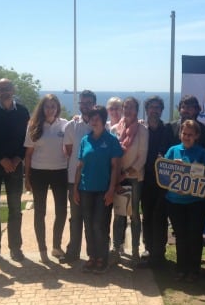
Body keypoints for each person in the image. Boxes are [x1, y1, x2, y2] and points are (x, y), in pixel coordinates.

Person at [0, 78, 30, 263]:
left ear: (13, 89)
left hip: (16, 166)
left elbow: (27, 138)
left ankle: (15, 249)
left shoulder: (23, 111)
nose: (5, 91)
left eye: (7, 88)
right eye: (1, 89)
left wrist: (17, 158)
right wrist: (2, 159)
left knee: (15, 209)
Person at [74, 106, 123, 273]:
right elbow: (80, 166)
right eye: (91, 117)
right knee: (88, 224)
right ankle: (92, 257)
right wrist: (75, 189)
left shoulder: (111, 140)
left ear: (103, 120)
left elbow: (116, 167)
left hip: (103, 190)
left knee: (99, 225)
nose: (94, 120)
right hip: (85, 189)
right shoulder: (85, 140)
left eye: (97, 117)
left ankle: (102, 257)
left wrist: (111, 190)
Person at [165, 119, 205, 282]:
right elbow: (163, 171)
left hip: (196, 202)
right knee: (181, 235)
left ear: (197, 136)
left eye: (190, 135)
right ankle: (181, 268)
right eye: (184, 134)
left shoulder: (203, 154)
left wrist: (189, 168)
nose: (186, 137)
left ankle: (194, 270)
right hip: (174, 201)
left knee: (194, 235)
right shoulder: (172, 150)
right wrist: (172, 165)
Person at [24, 94, 69, 263]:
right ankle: (42, 248)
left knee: (62, 211)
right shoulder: (33, 126)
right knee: (40, 212)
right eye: (47, 106)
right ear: (42, 108)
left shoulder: (65, 125)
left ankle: (56, 247)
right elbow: (28, 155)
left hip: (60, 172)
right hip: (38, 173)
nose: (50, 109)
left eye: (53, 106)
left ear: (57, 108)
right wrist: (26, 178)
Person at [110, 97, 149, 262]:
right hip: (117, 178)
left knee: (133, 214)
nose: (128, 110)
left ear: (137, 110)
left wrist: (124, 174)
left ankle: (134, 249)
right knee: (119, 213)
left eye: (131, 107)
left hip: (133, 177)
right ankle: (117, 247)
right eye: (126, 107)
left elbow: (142, 158)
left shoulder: (142, 130)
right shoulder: (114, 129)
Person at [61, 90, 97, 264]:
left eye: (89, 103)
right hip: (73, 179)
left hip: (94, 181)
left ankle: (92, 254)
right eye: (83, 103)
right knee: (75, 218)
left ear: (94, 104)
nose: (86, 106)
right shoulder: (71, 126)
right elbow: (69, 152)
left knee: (90, 219)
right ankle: (73, 252)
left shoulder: (99, 124)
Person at [139, 95, 174, 268]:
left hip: (163, 182)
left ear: (161, 110)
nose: (154, 110)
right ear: (146, 110)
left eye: (157, 107)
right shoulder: (141, 129)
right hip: (145, 180)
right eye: (151, 107)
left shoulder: (168, 130)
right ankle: (148, 248)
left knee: (160, 217)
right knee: (147, 216)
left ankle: (159, 253)